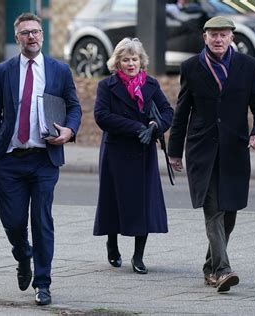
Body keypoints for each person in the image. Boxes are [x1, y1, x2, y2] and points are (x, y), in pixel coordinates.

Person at [168, 16, 255, 292]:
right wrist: (174, 151)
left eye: (223, 34)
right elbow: (182, 112)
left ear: (231, 38)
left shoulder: (248, 67)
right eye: (213, 34)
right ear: (204, 37)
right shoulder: (191, 67)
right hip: (202, 149)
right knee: (212, 209)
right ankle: (224, 269)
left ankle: (210, 267)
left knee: (229, 212)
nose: (218, 39)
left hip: (235, 149)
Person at [0, 13, 82, 305]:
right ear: (17, 38)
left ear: (42, 35)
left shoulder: (59, 70)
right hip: (10, 160)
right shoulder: (3, 71)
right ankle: (22, 254)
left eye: (36, 32)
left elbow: (74, 107)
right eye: (25, 32)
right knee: (13, 222)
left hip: (44, 159)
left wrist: (69, 130)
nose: (32, 37)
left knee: (41, 221)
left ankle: (43, 283)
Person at [93, 38, 174, 274]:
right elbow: (102, 117)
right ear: (118, 62)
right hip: (115, 151)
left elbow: (168, 111)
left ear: (141, 61)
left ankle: (138, 256)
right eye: (126, 59)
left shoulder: (151, 84)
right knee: (113, 201)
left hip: (143, 153)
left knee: (143, 204)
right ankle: (112, 242)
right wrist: (136, 127)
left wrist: (155, 126)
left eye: (134, 59)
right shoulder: (106, 86)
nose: (131, 64)